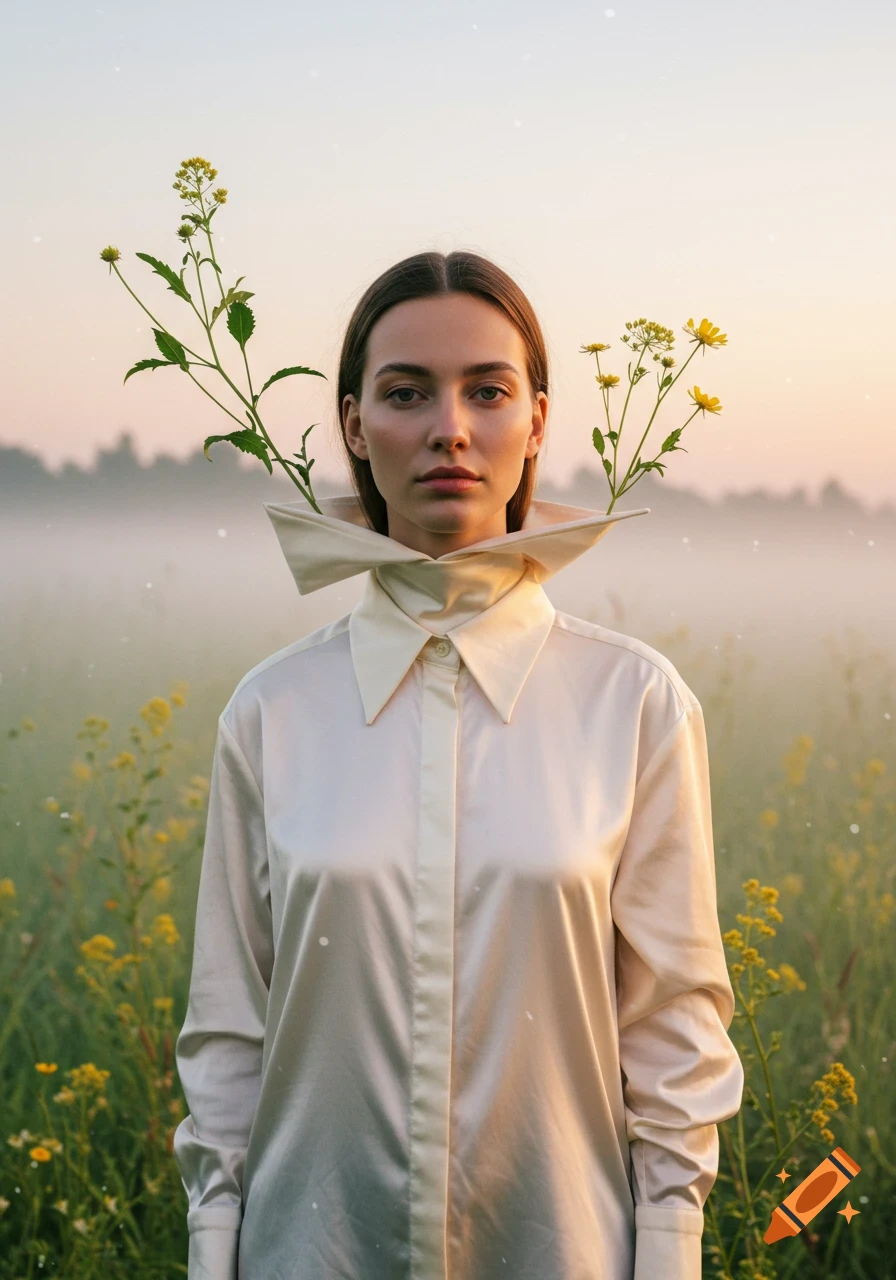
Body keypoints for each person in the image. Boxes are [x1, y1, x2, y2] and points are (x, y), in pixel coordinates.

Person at [173, 249, 744, 1280]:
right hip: (311, 1253)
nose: (449, 427)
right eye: (405, 392)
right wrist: (213, 1246)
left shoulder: (633, 703)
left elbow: (672, 1025)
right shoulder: (272, 711)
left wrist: (669, 1247)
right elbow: (228, 1028)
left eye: (487, 390)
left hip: (560, 1247)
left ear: (536, 419)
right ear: (352, 425)